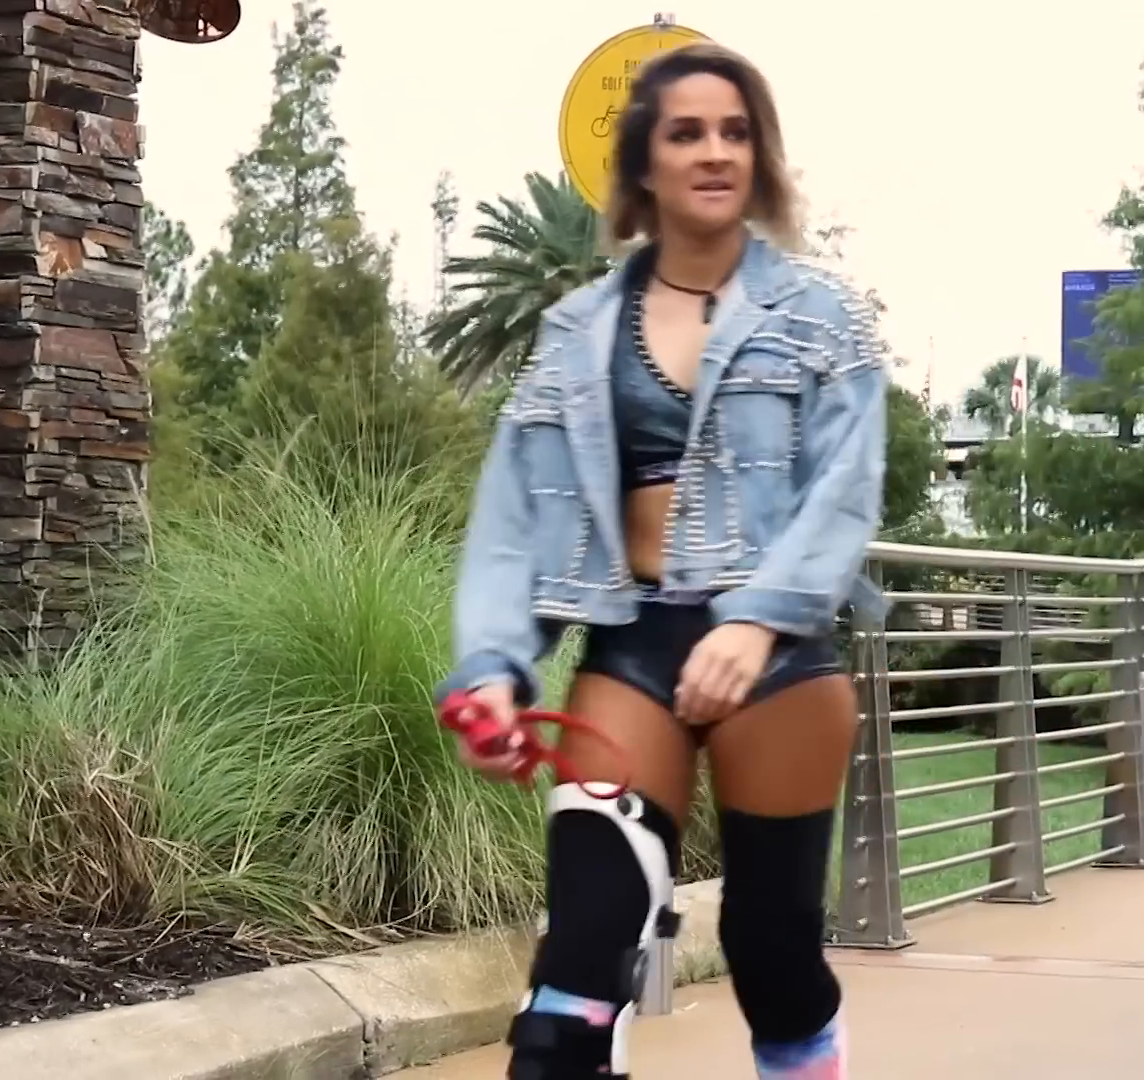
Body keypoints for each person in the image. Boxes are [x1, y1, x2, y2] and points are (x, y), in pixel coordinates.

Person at [435, 42, 886, 1080]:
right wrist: (494, 671)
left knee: (772, 957)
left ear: (759, 157)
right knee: (572, 987)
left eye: (735, 132)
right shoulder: (575, 331)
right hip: (633, 647)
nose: (714, 152)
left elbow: (846, 489)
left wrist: (757, 619)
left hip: (781, 661)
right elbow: (514, 519)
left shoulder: (819, 317)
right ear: (645, 162)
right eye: (687, 133)